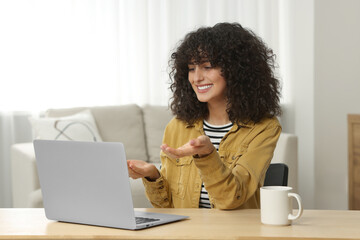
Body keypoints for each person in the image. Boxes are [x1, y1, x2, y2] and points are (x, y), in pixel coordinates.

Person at [127, 22, 282, 210]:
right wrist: (152, 175)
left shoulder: (264, 128)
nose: (196, 77)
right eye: (191, 68)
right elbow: (167, 207)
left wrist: (208, 154)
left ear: (237, 70)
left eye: (207, 66)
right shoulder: (177, 126)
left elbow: (231, 198)